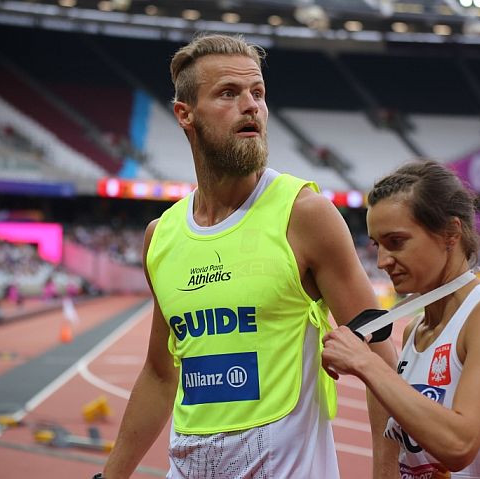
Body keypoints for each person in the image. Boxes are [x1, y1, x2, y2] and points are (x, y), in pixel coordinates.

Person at [99, 33, 397, 479]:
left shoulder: (305, 214)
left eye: (257, 93)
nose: (251, 105)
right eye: (228, 93)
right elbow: (161, 375)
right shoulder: (160, 237)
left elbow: (381, 359)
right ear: (186, 114)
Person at [322, 160, 480, 479]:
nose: (382, 261)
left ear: (451, 233)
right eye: (376, 245)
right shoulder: (415, 330)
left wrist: (367, 364)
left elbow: (458, 446)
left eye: (396, 242)